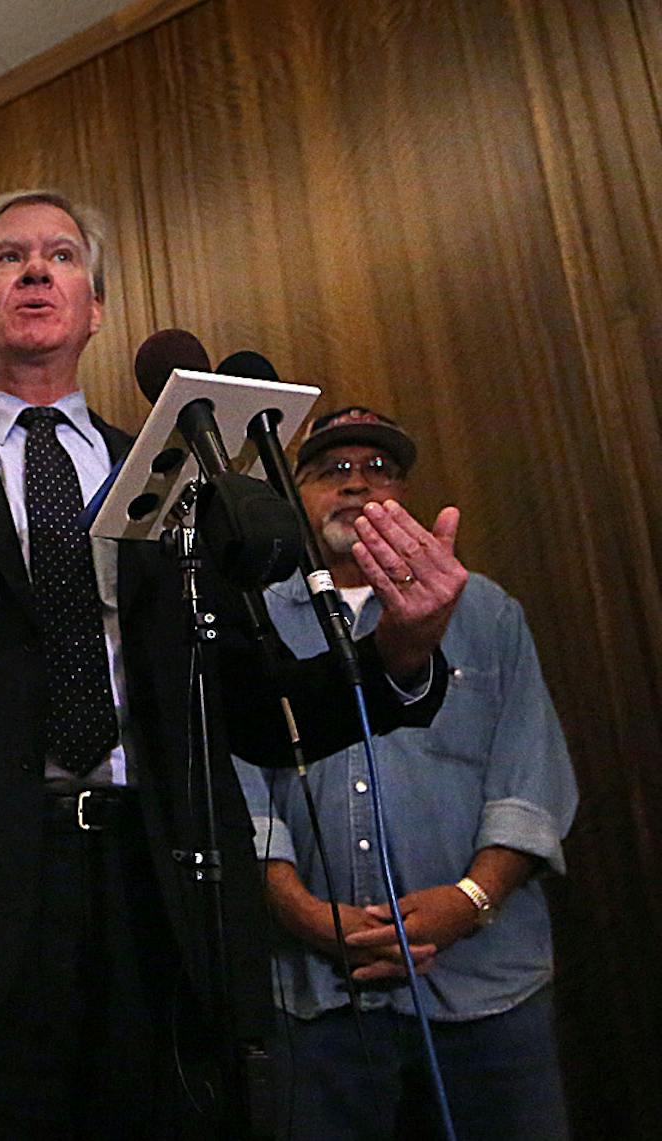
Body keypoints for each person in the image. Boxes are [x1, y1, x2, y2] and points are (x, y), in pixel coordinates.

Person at [0, 189, 469, 1138]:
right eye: (7, 256)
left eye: (61, 256)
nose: (33, 268)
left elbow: (260, 716)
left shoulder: (186, 480)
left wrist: (402, 647)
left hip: (163, 902)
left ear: (95, 308)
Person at [235, 407, 578, 1140]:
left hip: (487, 990)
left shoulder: (485, 610)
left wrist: (470, 899)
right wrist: (298, 910)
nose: (356, 485)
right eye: (332, 470)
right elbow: (240, 785)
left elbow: (532, 772)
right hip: (316, 1002)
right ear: (295, 494)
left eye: (379, 469)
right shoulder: (252, 620)